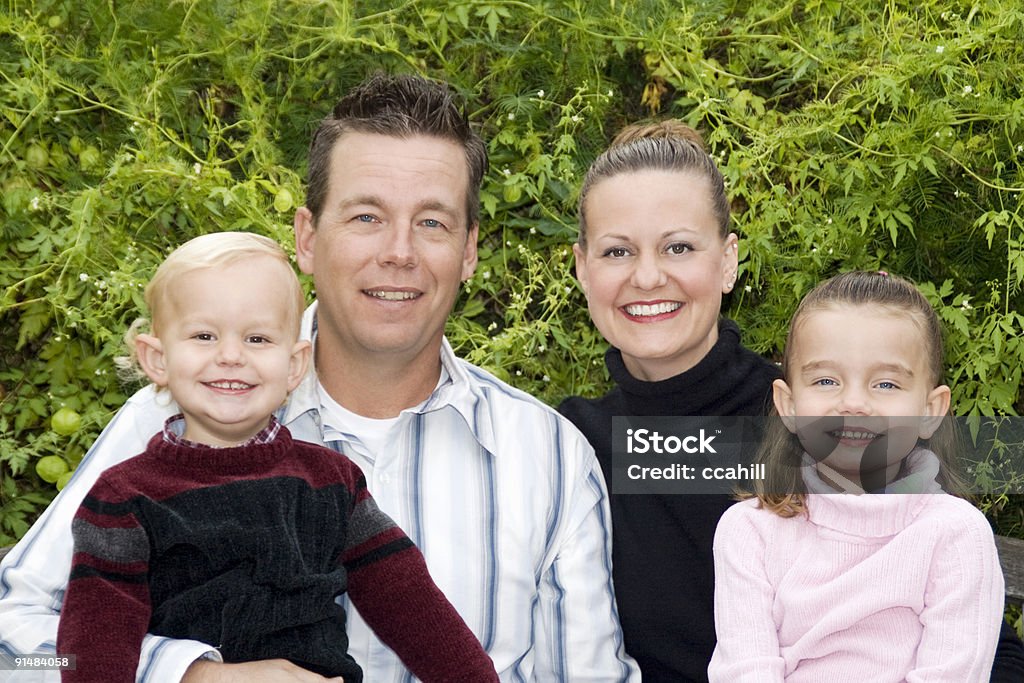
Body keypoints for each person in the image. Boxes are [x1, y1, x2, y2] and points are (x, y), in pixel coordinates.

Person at [0, 74, 638, 683]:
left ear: (469, 250)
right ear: (308, 237)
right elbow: (11, 646)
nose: (398, 251)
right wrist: (190, 674)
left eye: (432, 222)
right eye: (365, 216)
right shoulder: (166, 428)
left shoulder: (549, 457)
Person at [55, 232, 499, 683]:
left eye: (257, 338)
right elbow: (91, 650)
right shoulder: (124, 499)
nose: (230, 356)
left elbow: (410, 602)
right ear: (157, 358)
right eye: (204, 335)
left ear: (293, 366)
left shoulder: (333, 482)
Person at [558, 121, 781, 681]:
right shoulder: (568, 445)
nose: (649, 276)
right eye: (617, 251)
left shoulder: (813, 422)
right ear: (583, 269)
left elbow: (986, 645)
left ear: (727, 260)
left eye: (678, 247)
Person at [708, 270, 1005, 681]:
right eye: (826, 380)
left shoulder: (954, 535)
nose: (853, 402)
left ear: (930, 411)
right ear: (788, 405)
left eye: (885, 383)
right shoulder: (749, 533)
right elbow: (745, 671)